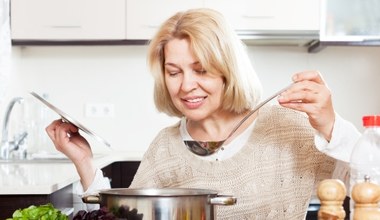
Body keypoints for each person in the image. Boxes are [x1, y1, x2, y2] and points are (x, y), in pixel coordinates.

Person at [46, 8, 360, 219]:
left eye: (201, 70)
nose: (186, 86)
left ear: (228, 70)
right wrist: (84, 161)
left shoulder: (288, 127)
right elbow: (126, 216)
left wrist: (330, 125)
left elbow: (369, 182)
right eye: (174, 72)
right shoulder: (165, 146)